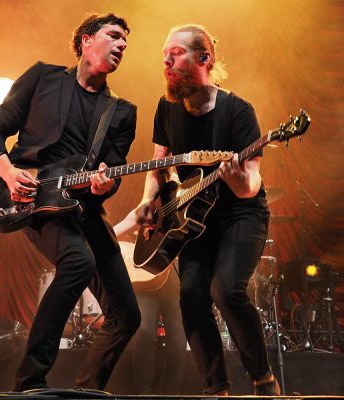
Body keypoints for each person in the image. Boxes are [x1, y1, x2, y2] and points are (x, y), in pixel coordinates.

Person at [0, 13, 140, 391]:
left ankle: (86, 390)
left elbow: (112, 171)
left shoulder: (122, 112)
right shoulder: (42, 78)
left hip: (83, 207)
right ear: (86, 40)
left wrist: (105, 186)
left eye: (125, 43)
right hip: (34, 199)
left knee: (127, 315)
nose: (121, 46)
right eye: (113, 36)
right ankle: (29, 383)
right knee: (78, 262)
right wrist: (6, 171)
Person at [133, 24, 280, 395]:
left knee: (227, 291)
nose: (166, 59)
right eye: (164, 54)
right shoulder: (166, 108)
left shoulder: (237, 111)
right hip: (188, 219)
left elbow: (250, 186)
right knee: (192, 297)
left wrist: (230, 177)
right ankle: (217, 388)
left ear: (204, 58)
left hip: (238, 215)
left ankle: (263, 379)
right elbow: (159, 165)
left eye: (176, 53)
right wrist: (150, 199)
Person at [113, 208, 187, 395]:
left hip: (173, 286)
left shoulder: (183, 210)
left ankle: (171, 395)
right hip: (144, 288)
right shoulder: (148, 208)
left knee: (178, 341)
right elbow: (115, 235)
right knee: (144, 333)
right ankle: (145, 394)